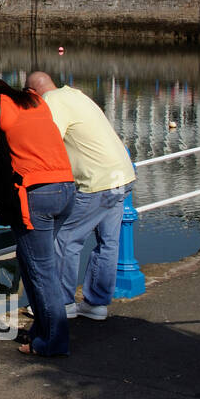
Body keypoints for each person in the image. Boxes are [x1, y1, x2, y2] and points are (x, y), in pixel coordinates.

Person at [0, 75, 76, 356]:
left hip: (37, 194)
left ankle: (55, 343)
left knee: (41, 271)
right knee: (32, 262)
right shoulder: (34, 101)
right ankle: (40, 334)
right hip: (66, 189)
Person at [27, 72, 136, 321]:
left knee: (66, 240)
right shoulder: (76, 94)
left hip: (97, 182)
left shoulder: (51, 102)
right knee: (108, 242)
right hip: (122, 176)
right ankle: (96, 304)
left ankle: (62, 303)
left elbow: (45, 142)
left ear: (33, 93)